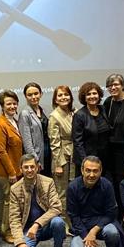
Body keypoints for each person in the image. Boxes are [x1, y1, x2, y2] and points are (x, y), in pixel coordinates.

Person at [66, 156, 124, 247]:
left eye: (95, 171)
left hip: (102, 224)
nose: (91, 175)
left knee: (112, 232)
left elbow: (111, 213)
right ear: (82, 170)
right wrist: (86, 236)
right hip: (81, 226)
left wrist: (93, 231)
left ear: (100, 171)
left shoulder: (107, 185)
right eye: (88, 170)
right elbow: (73, 216)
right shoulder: (73, 187)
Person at [9, 154, 65, 247]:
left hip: (46, 226)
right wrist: (20, 242)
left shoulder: (48, 182)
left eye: (32, 167)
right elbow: (14, 219)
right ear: (20, 169)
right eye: (26, 167)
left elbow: (56, 208)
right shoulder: (15, 189)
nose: (29, 170)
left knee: (58, 222)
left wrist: (37, 224)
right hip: (28, 231)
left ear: (38, 167)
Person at [0, 89, 24, 244]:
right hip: (6, 172)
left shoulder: (14, 121)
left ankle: (13, 228)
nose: (12, 106)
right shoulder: (0, 124)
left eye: (14, 103)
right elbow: (0, 151)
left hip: (16, 170)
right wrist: (12, 173)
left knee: (14, 201)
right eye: (8, 104)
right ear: (2, 106)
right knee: (9, 202)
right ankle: (7, 231)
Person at [48, 85, 76, 220]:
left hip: (74, 156)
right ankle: (63, 222)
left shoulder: (73, 113)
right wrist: (58, 164)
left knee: (73, 190)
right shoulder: (54, 116)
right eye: (60, 95)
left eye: (66, 94)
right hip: (62, 158)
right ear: (55, 99)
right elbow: (54, 143)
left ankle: (72, 220)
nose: (63, 97)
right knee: (62, 192)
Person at [71, 81, 111, 173]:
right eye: (88, 94)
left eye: (94, 93)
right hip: (87, 160)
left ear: (99, 95)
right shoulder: (79, 115)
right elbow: (78, 142)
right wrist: (85, 162)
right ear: (84, 98)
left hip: (104, 159)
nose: (92, 96)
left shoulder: (103, 109)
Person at [18, 82, 50, 174]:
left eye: (36, 93)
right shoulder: (25, 114)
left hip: (47, 154)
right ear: (25, 96)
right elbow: (27, 142)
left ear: (41, 94)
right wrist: (35, 160)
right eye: (30, 95)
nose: (33, 97)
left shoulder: (43, 110)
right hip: (37, 157)